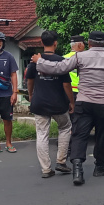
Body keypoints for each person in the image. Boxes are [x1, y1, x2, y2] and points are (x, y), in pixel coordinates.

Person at [32, 30, 104, 186]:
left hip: (84, 103)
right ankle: (100, 167)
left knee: (79, 135)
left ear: (89, 44)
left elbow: (59, 68)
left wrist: (40, 61)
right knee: (102, 135)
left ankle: (77, 170)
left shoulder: (80, 56)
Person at [26, 30, 74, 178]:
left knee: (41, 134)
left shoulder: (34, 61)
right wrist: (71, 101)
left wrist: (31, 94)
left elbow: (30, 81)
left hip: (39, 103)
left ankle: (46, 169)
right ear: (55, 43)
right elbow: (67, 85)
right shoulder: (61, 61)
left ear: (41, 43)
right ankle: (61, 161)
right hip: (58, 103)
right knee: (65, 127)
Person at [64, 35, 86, 99]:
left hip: (68, 91)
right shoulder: (84, 58)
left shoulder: (64, 58)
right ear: (79, 45)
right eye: (84, 44)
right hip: (82, 91)